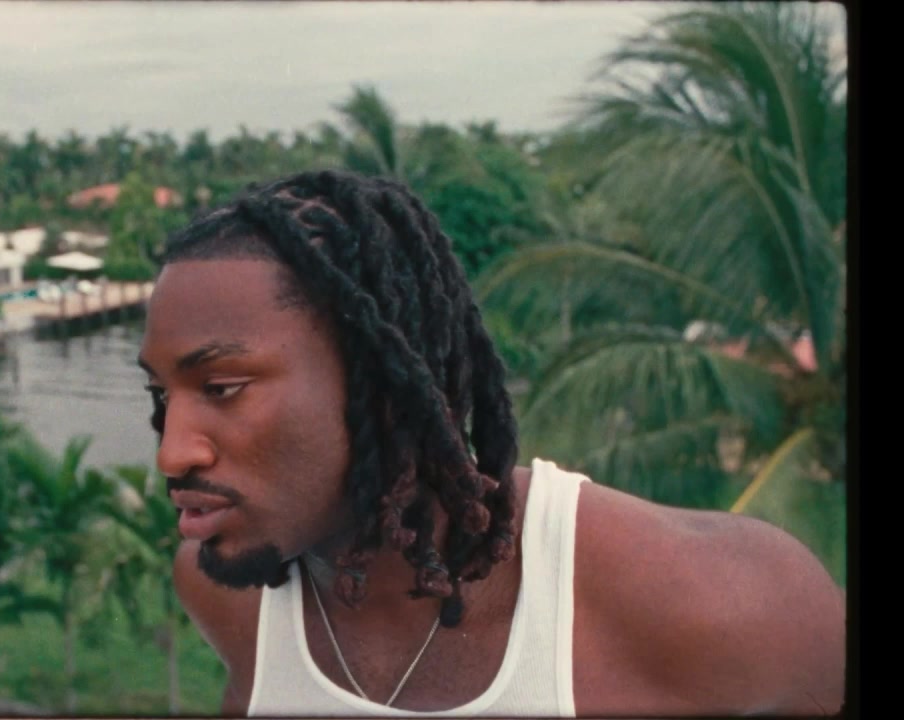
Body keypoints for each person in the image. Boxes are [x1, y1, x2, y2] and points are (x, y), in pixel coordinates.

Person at [135, 169, 846, 717]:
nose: (173, 453)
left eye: (221, 388)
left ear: (379, 380)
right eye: (163, 396)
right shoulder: (225, 593)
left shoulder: (717, 602)